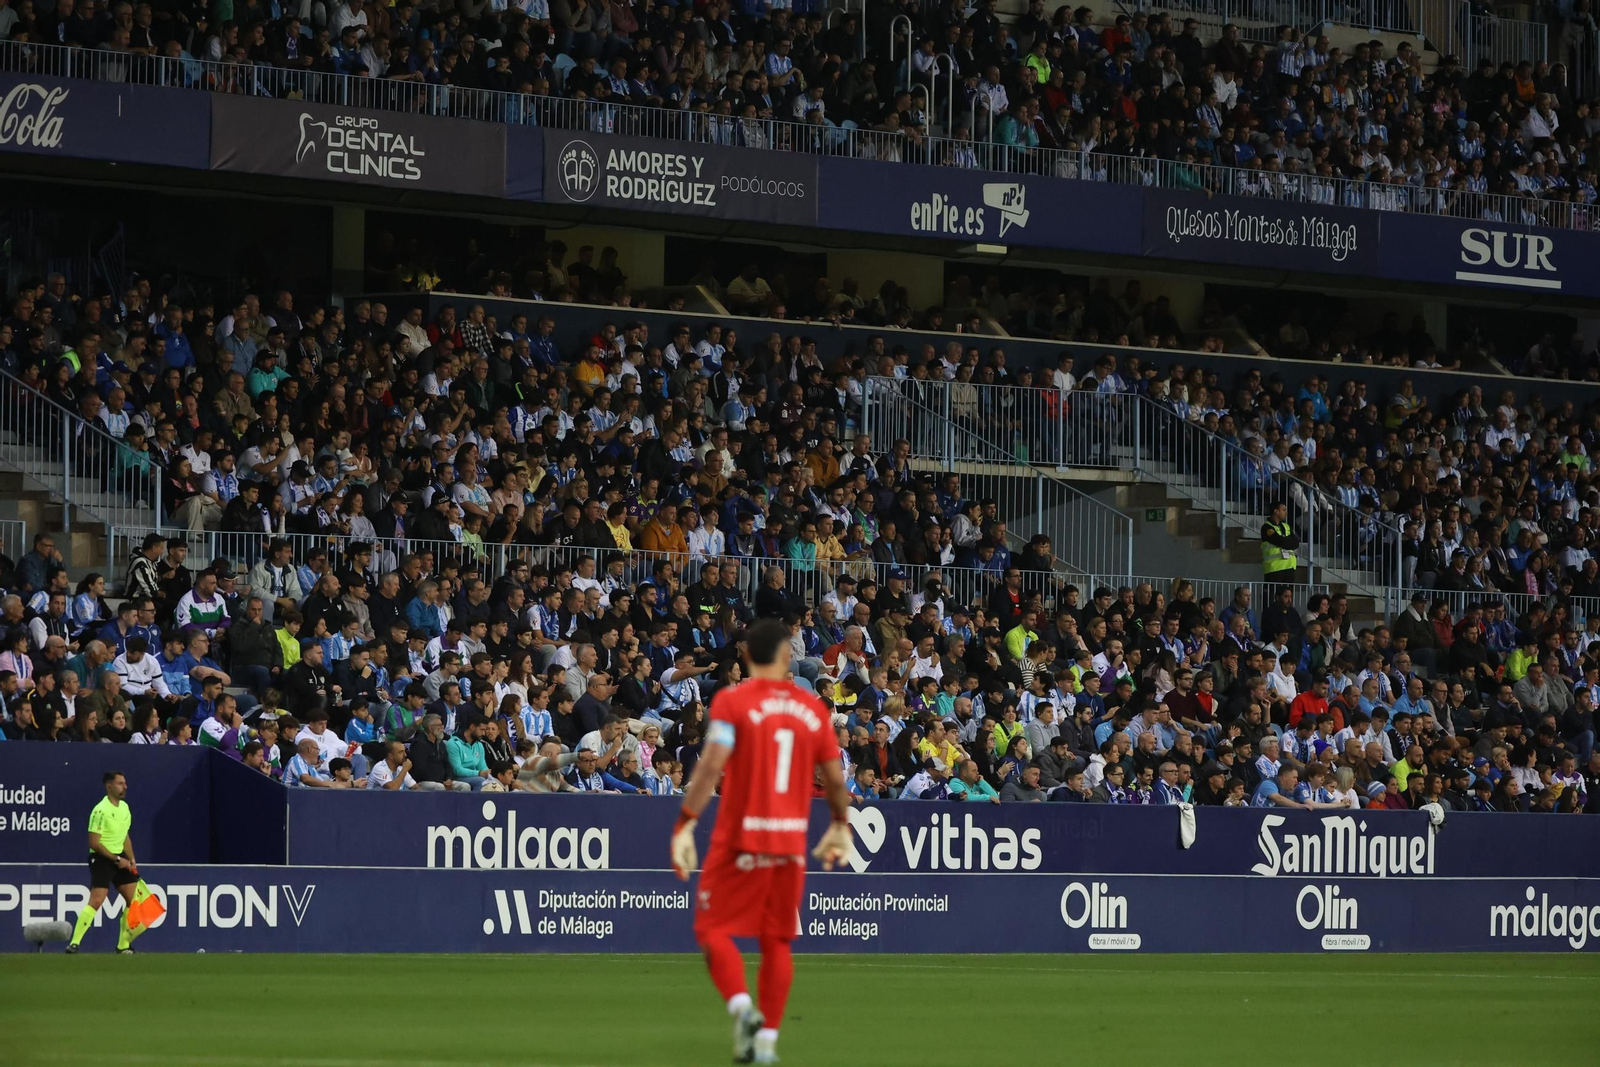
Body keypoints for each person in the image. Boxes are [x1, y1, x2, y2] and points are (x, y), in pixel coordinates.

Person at [669, 618, 852, 1066]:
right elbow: (832, 776)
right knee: (777, 943)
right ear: (789, 658)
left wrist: (685, 823)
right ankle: (767, 1041)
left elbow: (711, 765)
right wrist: (840, 823)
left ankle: (741, 1007)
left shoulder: (733, 701)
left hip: (739, 836)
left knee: (712, 929)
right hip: (789, 843)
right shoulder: (812, 711)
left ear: (747, 657)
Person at [67, 771, 138, 954]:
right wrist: (117, 860)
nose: (125, 787)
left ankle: (123, 946)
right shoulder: (100, 810)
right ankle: (74, 943)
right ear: (109, 786)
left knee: (134, 900)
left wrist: (131, 859)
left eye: (125, 783)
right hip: (102, 858)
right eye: (120, 783)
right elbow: (94, 843)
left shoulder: (125, 808)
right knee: (98, 900)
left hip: (120, 857)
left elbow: (125, 837)